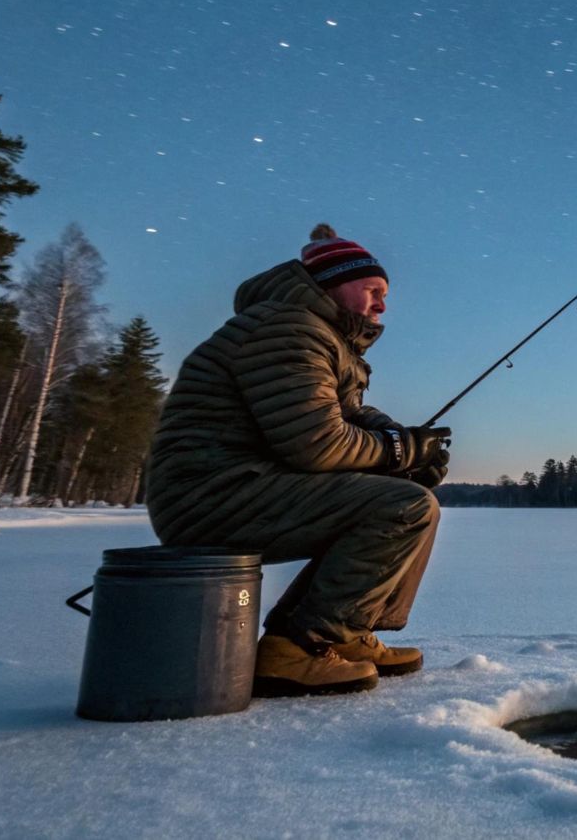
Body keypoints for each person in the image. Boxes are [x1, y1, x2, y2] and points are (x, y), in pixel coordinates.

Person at [145, 225, 451, 697]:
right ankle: (298, 646)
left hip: (241, 486)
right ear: (332, 284)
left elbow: (348, 414)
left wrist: (407, 447)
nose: (381, 306)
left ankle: (343, 633)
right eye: (372, 290)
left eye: (384, 295)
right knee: (403, 506)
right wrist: (398, 450)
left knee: (410, 494)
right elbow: (317, 442)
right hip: (211, 495)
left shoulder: (318, 335)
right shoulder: (286, 329)